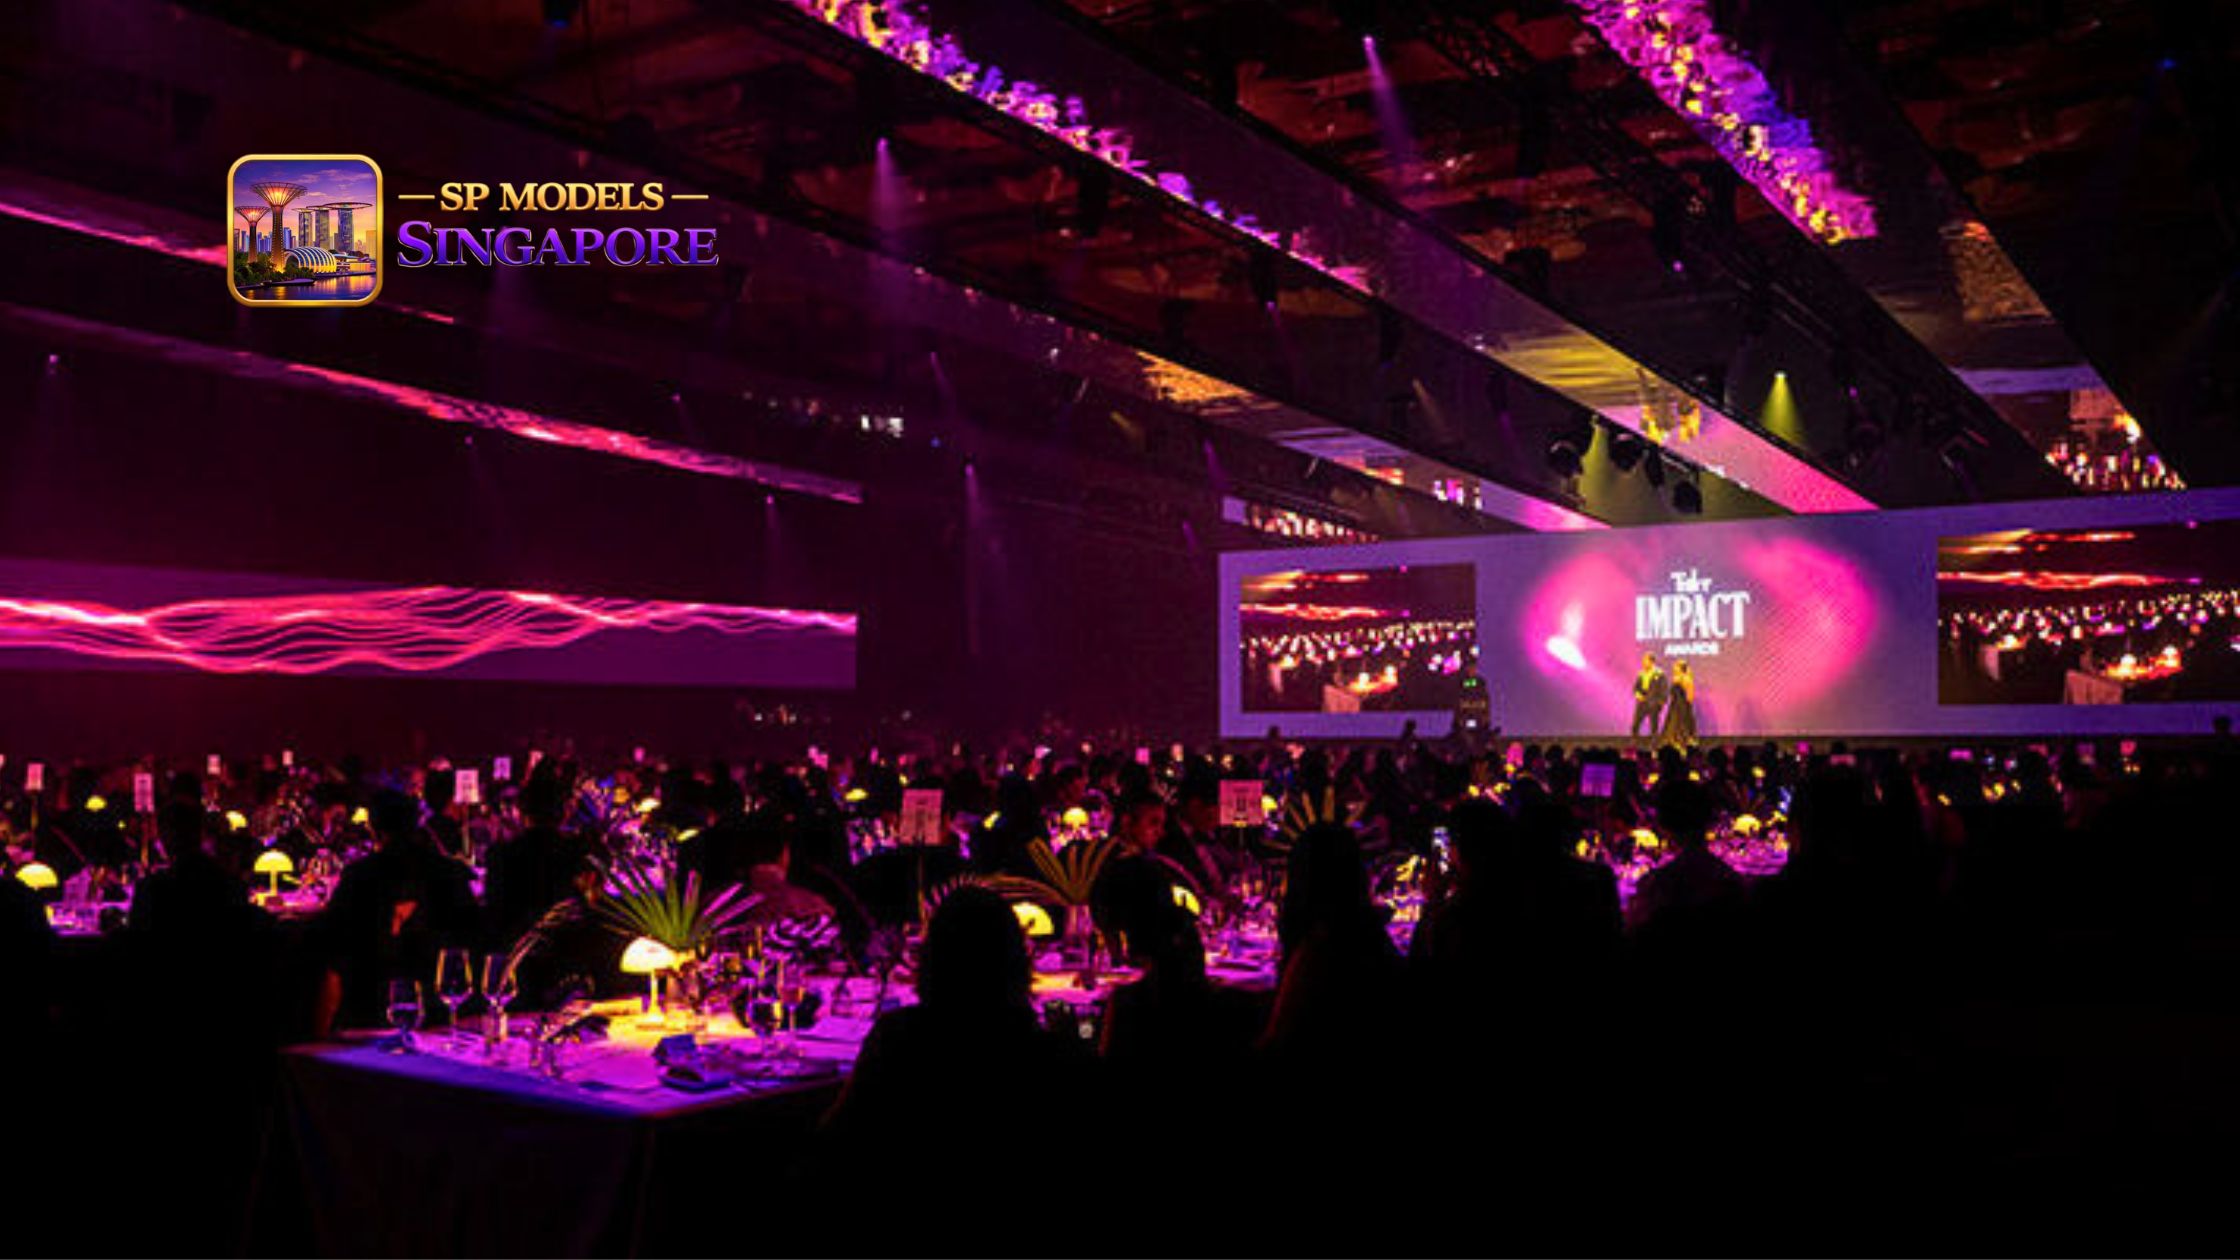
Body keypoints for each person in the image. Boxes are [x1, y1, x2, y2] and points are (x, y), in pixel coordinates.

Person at [816, 887, 1091, 1239]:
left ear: (932, 957)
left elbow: (838, 1136)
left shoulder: (899, 1036)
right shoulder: (1042, 1046)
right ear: (1017, 960)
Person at [309, 787, 479, 1034]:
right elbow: (472, 939)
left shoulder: (359, 876)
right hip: (438, 1007)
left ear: (373, 828)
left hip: (369, 1007)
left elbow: (333, 948)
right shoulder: (449, 872)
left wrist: (324, 1031)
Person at [482, 770, 593, 948]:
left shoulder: (501, 854)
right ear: (564, 812)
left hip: (513, 949)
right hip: (567, 947)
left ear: (521, 812)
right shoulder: (577, 851)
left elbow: (493, 912)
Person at [1659, 658, 1698, 749]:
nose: (1673, 668)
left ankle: (1682, 745)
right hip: (1674, 706)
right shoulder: (1675, 678)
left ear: (1681, 668)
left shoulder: (1687, 679)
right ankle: (1672, 746)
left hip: (1682, 707)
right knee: (1672, 726)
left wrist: (1687, 708)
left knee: (1681, 726)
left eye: (1676, 666)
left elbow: (1690, 696)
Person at [1631, 653, 1669, 743]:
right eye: (1643, 661)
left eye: (1645, 661)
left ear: (1651, 662)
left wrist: (1661, 702)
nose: (1643, 663)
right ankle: (1635, 739)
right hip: (1642, 701)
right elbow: (1636, 687)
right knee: (1636, 722)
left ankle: (1654, 741)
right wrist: (1637, 694)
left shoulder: (1659, 674)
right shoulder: (1641, 673)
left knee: (1654, 723)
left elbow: (1664, 688)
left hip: (1654, 702)